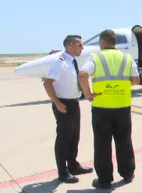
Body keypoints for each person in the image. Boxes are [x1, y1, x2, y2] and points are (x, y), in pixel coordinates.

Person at [78, 29, 140, 189]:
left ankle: (105, 180)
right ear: (115, 43)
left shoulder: (96, 57)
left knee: (102, 143)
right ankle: (127, 174)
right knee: (124, 140)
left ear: (102, 42)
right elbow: (136, 80)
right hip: (122, 106)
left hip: (102, 107)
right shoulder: (127, 58)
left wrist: (88, 94)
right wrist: (121, 87)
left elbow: (83, 75)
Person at [43, 35, 93, 184]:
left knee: (74, 137)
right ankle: (62, 172)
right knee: (63, 139)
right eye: (79, 45)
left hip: (73, 103)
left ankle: (73, 165)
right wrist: (57, 103)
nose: (82, 48)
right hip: (63, 104)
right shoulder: (60, 63)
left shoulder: (73, 62)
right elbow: (47, 83)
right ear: (70, 45)